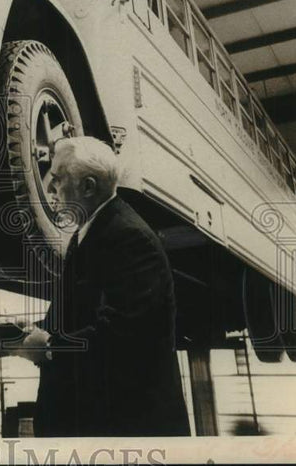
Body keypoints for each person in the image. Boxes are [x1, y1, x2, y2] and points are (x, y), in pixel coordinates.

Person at [10, 137, 190, 437]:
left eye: (57, 178)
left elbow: (126, 335)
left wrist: (51, 347)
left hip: (123, 429)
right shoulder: (92, 233)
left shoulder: (131, 238)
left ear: (88, 186)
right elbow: (82, 317)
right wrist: (35, 331)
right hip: (98, 423)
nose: (51, 187)